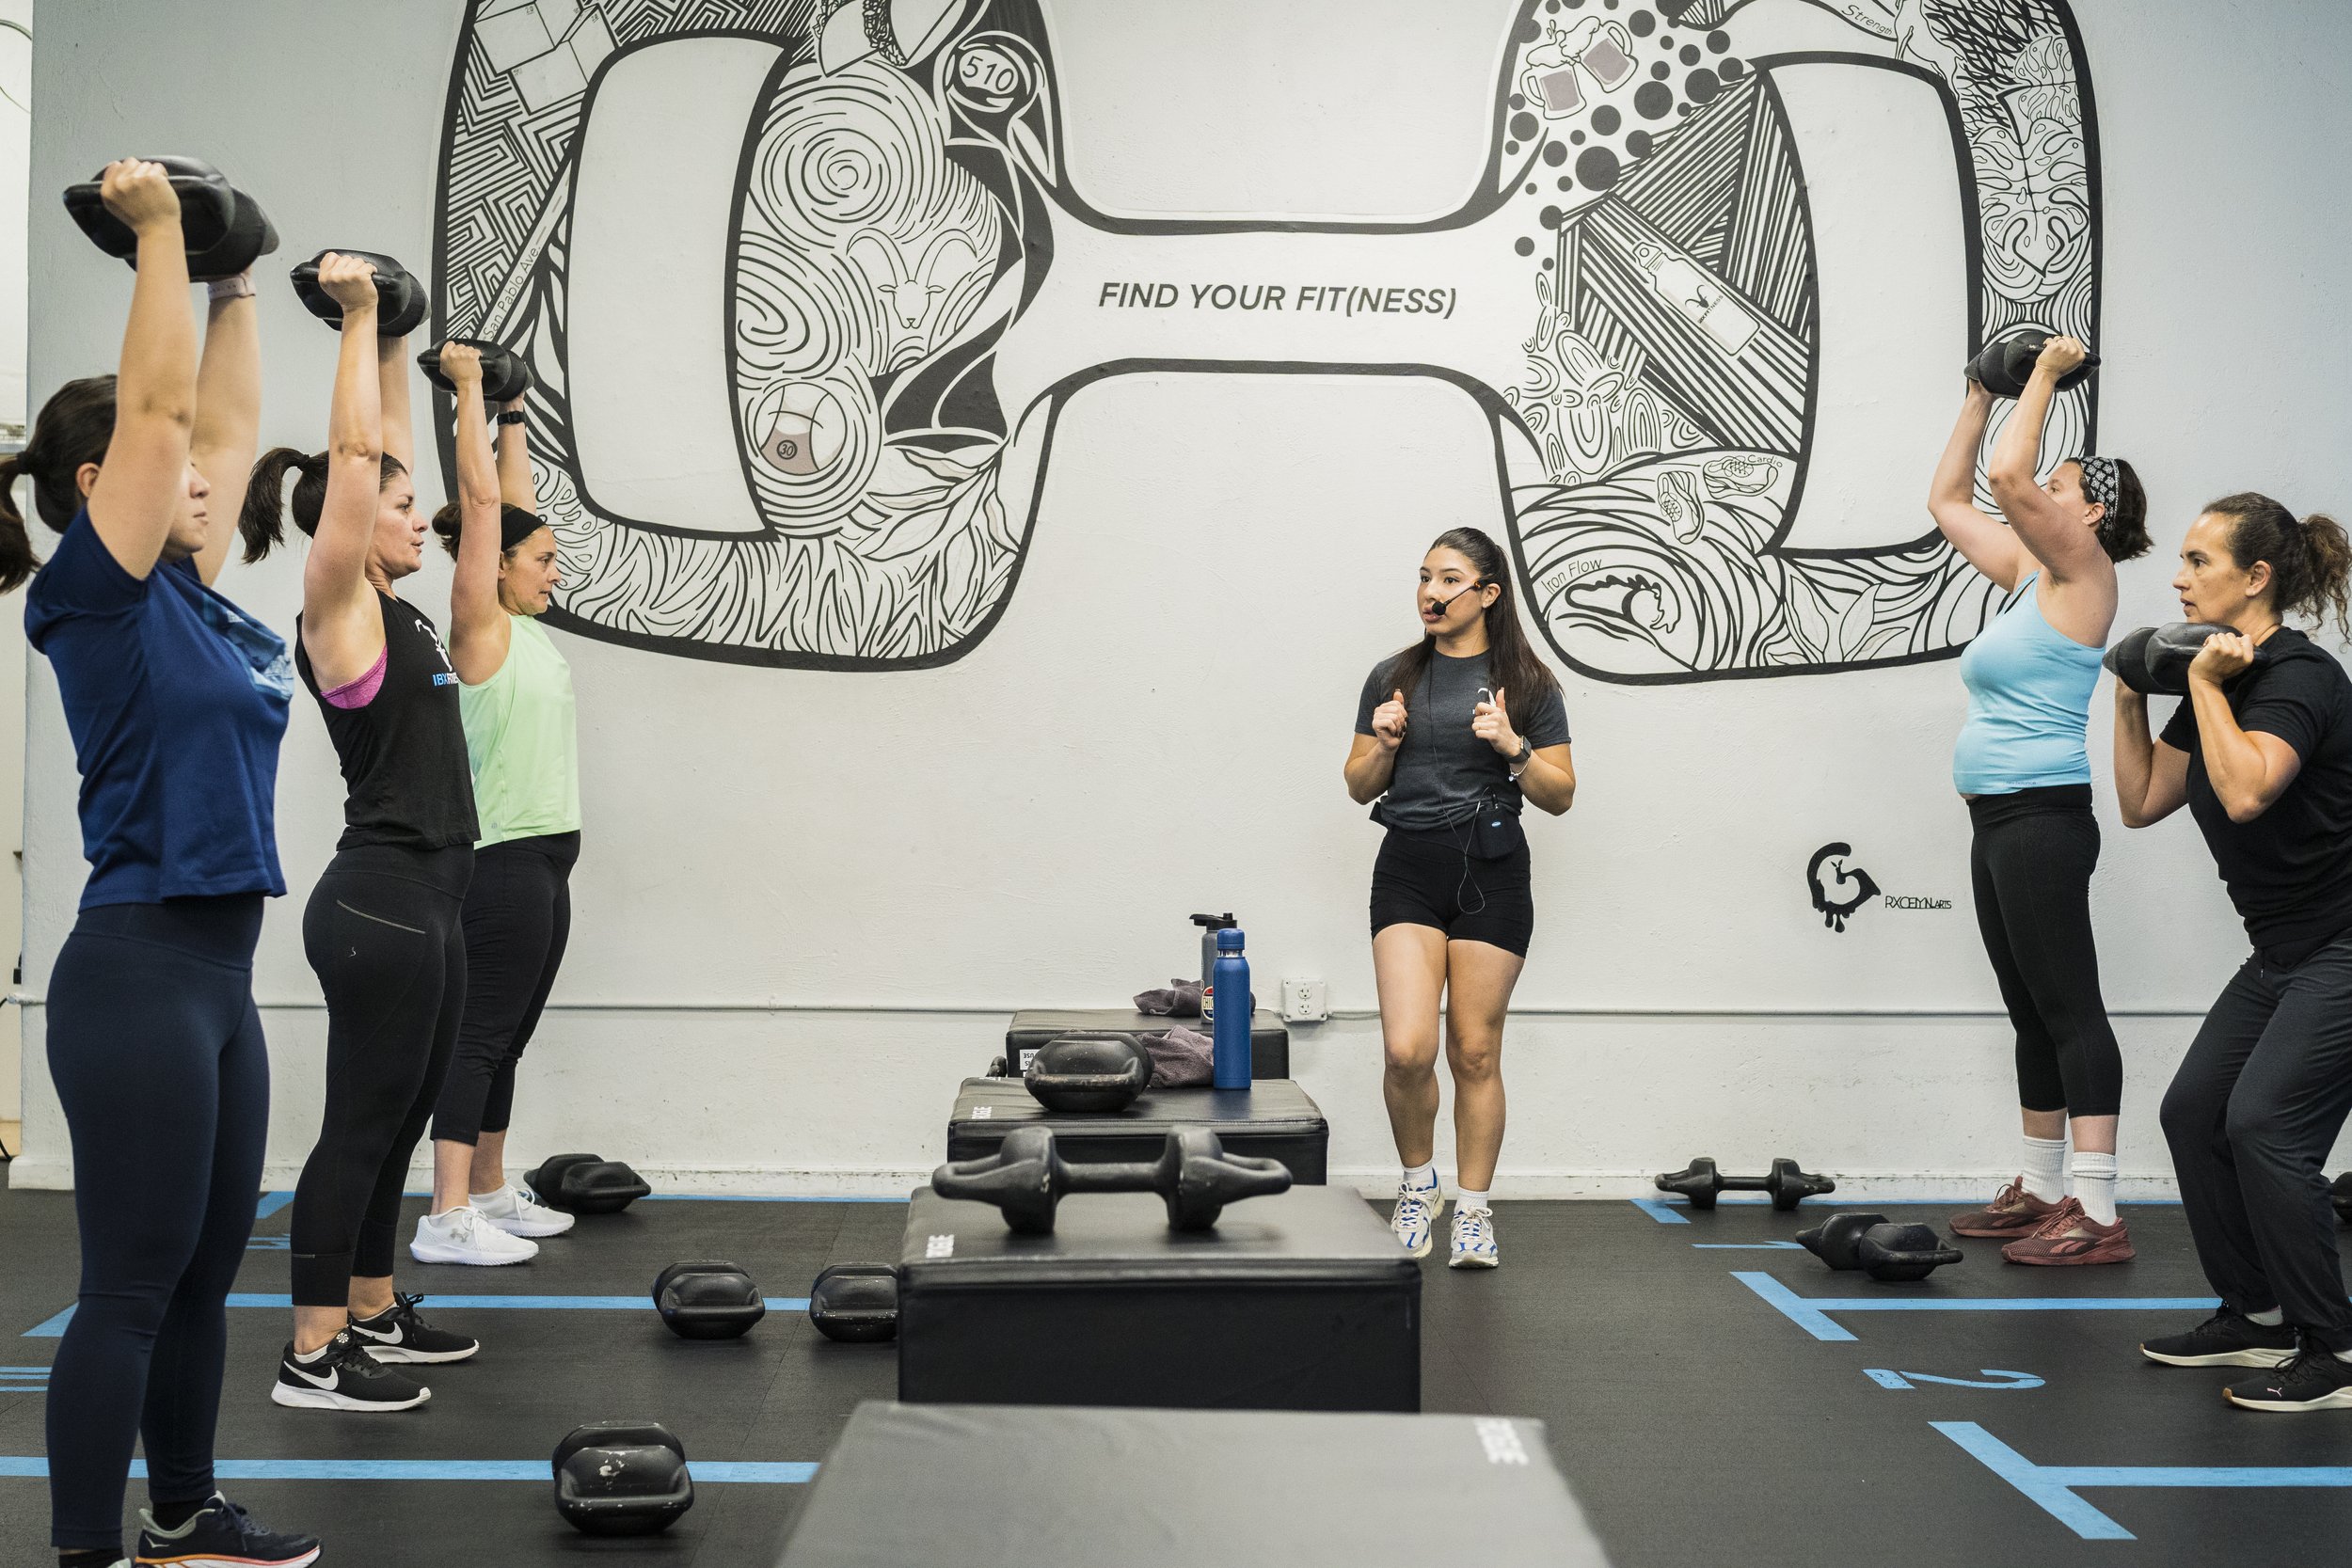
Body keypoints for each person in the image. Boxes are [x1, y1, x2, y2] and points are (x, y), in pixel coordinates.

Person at [9, 161, 320, 1568]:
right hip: (136, 971)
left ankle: (185, 1516)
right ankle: (83, 1552)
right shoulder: (98, 595)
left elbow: (223, 422)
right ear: (101, 488)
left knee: (204, 1276)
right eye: (170, 462)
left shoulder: (192, 595)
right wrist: (153, 238)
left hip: (220, 980)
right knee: (128, 1286)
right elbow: (157, 412)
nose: (204, 469)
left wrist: (237, 277)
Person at [241, 254, 482, 1412]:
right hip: (379, 900)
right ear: (348, 525)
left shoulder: (406, 607)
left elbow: (379, 450)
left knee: (400, 1122)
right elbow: (354, 459)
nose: (417, 519)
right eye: (400, 509)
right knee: (359, 1126)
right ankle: (310, 1351)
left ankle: (374, 1309)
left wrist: (392, 344)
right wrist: (355, 314)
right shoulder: (337, 606)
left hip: (434, 898)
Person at [2118, 492, 2352, 1412]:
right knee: (2193, 1110)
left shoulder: (2296, 676)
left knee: (2264, 1125)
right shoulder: (2219, 681)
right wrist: (2132, 690)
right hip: (2285, 949)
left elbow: (2249, 790)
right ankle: (2254, 1313)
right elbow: (2141, 798)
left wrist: (2206, 687)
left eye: (2198, 562)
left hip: (2342, 943)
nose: (2177, 578)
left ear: (2254, 579)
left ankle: (2330, 1347)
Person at [1926, 336, 2150, 1264]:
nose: (2035, 495)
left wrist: (2047, 373)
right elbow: (1948, 501)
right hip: (1998, 820)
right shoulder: (2030, 579)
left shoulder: (2083, 574)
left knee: (2069, 1007)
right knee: (2029, 1010)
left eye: (2059, 488)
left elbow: (2009, 474)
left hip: (2041, 818)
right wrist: (1980, 391)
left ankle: (2095, 1209)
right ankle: (2044, 1187)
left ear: (2090, 509)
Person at [1344, 527, 1574, 1269]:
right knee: (1407, 1049)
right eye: (1423, 577)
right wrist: (1382, 742)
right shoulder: (1393, 675)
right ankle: (1419, 1186)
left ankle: (1473, 1211)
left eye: (1448, 579)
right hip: (1409, 865)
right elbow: (1356, 785)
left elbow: (1561, 795)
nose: (1431, 592)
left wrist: (1513, 746)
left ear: (1488, 593)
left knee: (1474, 1049)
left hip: (1493, 867)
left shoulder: (1530, 685)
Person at [411, 344, 581, 1265]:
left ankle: (487, 1186)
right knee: (479, 1032)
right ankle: (445, 1216)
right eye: (543, 559)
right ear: (499, 567)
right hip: (502, 856)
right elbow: (488, 510)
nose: (554, 571)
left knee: (507, 1032)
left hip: (547, 859)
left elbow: (509, 507)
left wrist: (516, 414)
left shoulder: (525, 625)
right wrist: (472, 392)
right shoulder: (479, 626)